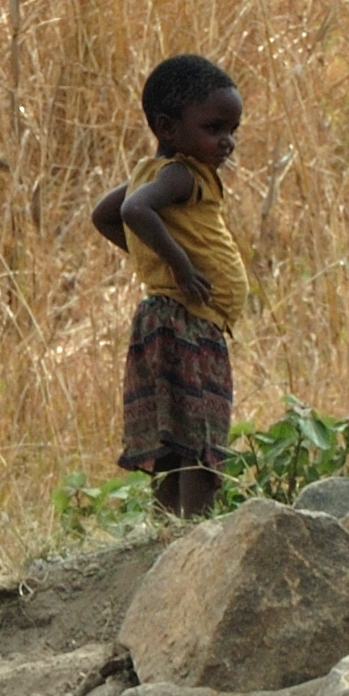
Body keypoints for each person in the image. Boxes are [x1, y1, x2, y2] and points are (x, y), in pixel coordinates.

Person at [92, 53, 247, 522]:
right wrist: (178, 267)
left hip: (170, 318)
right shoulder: (180, 174)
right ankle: (195, 530)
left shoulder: (154, 172)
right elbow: (135, 211)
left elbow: (106, 213)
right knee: (199, 434)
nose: (227, 142)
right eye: (214, 128)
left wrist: (157, 259)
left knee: (171, 433)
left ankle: (164, 527)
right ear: (168, 127)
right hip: (189, 322)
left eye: (232, 130)